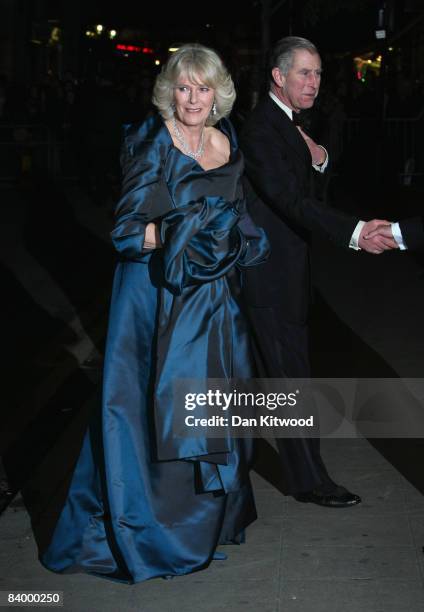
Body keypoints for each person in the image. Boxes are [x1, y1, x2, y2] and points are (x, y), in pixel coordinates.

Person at [39, 44, 269, 583]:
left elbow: (238, 209)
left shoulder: (225, 139)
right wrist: (179, 234)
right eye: (184, 87)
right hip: (153, 298)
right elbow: (124, 232)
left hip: (211, 301)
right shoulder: (152, 142)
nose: (193, 98)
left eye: (204, 88)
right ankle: (151, 534)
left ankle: (204, 523)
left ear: (219, 93)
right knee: (147, 412)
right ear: (171, 89)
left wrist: (234, 235)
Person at [239, 36, 398, 508]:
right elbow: (292, 200)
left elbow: (303, 179)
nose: (314, 83)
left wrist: (319, 155)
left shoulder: (285, 124)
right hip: (267, 278)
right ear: (278, 76)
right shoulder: (261, 131)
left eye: (319, 73)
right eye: (304, 73)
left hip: (282, 274)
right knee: (290, 384)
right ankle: (309, 482)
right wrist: (354, 231)